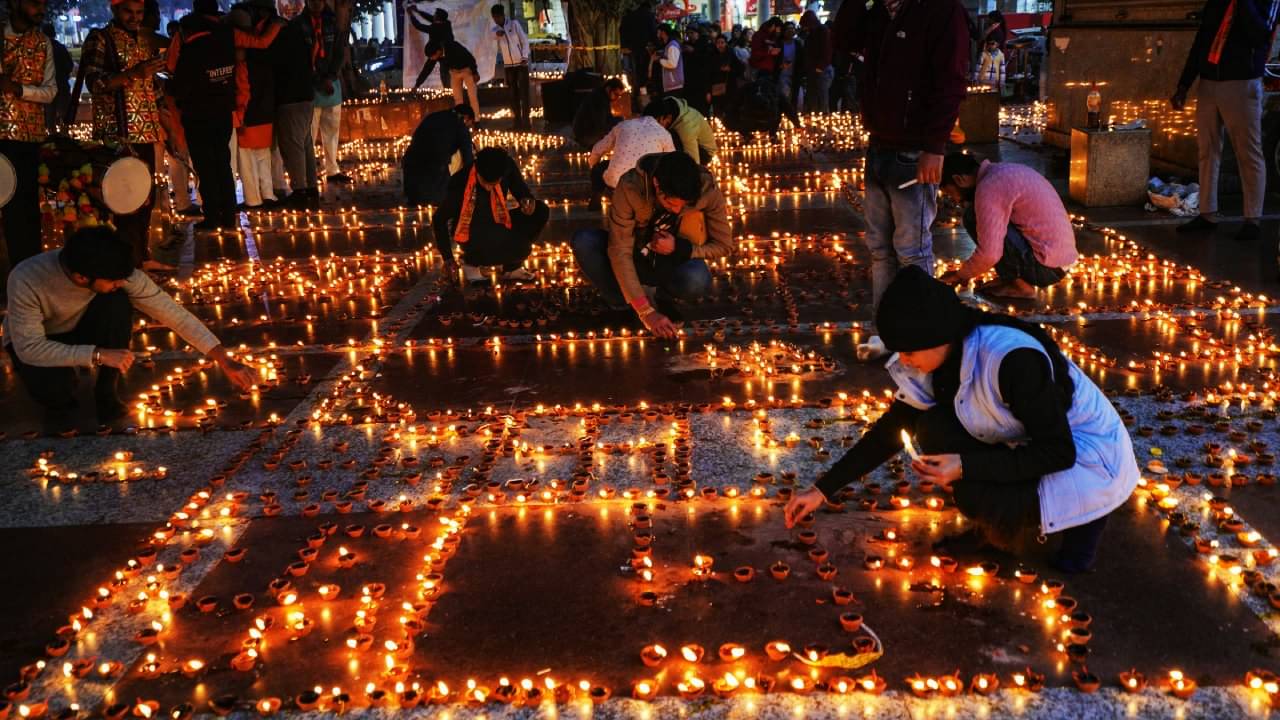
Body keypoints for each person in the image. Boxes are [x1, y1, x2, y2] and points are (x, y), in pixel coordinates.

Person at [784, 266, 1138, 574]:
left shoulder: (1013, 361)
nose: (903, 361)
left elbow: (1059, 452)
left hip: (1089, 460)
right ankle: (999, 524)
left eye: (909, 351)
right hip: (1029, 439)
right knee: (932, 428)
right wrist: (821, 490)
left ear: (938, 336)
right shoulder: (943, 355)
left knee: (973, 492)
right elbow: (893, 428)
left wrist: (966, 466)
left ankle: (1083, 524)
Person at [3, 226, 258, 435]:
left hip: (82, 325)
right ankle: (59, 396)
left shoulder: (116, 271)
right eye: (113, 281)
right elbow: (30, 348)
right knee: (56, 394)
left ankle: (106, 391)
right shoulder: (27, 278)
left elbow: (174, 314)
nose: (121, 282)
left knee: (117, 301)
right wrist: (97, 354)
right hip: (39, 340)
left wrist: (224, 360)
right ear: (81, 277)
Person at [831, 0, 970, 361]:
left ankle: (921, 338)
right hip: (879, 145)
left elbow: (951, 81)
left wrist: (934, 146)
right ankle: (886, 331)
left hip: (914, 150)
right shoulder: (879, 11)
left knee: (912, 250)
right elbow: (843, 40)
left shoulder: (941, 10)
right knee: (879, 248)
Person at [570, 151, 732, 338]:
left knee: (696, 279)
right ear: (656, 184)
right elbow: (620, 250)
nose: (677, 210)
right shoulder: (630, 187)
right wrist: (645, 312)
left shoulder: (706, 188)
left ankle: (664, 298)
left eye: (684, 205)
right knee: (585, 241)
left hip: (673, 261)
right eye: (670, 203)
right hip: (636, 255)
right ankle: (622, 301)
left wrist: (680, 248)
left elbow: (724, 245)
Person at [1171, 0, 1277, 243]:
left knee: (1248, 152)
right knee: (1207, 150)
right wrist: (1184, 84)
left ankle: (1252, 218)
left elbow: (1261, 35)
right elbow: (1203, 39)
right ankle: (1207, 213)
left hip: (1242, 81)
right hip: (1209, 81)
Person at [81, 0, 166, 268]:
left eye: (139, 13)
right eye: (129, 12)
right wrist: (133, 73)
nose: (135, 18)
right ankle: (126, 264)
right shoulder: (100, 38)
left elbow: (153, 88)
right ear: (115, 10)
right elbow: (94, 82)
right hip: (117, 134)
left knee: (145, 198)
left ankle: (141, 257)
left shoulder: (143, 40)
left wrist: (167, 120)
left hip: (146, 131)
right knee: (124, 200)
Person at [936, 153, 1077, 298]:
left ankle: (1020, 286)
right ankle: (1012, 279)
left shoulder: (989, 187)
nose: (955, 200)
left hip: (1045, 268)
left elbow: (990, 254)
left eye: (950, 193)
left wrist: (960, 275)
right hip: (1061, 262)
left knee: (972, 216)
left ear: (959, 180)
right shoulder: (1003, 172)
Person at [167, 0, 240, 231]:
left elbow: (179, 85)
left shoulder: (192, 48)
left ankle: (213, 217)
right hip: (223, 111)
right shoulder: (226, 40)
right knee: (223, 163)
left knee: (206, 167)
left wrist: (168, 86)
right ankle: (229, 215)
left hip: (199, 114)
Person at [431, 147, 548, 285]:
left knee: (540, 211)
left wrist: (526, 200)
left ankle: (512, 268)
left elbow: (520, 188)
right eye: (485, 183)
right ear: (478, 171)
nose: (489, 188)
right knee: (518, 248)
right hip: (472, 229)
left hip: (499, 220)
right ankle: (471, 263)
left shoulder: (506, 166)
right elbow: (439, 220)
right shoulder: (460, 183)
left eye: (494, 183)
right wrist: (448, 258)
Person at [0, 0, 55, 276]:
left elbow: (50, 91)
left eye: (43, 3)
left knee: (25, 210)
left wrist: (19, 89)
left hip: (27, 138)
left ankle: (27, 275)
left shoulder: (43, 42)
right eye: (34, 2)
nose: (41, 8)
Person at [232, 0, 280, 211]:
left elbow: (243, 91)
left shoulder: (243, 65)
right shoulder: (263, 53)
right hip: (265, 113)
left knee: (247, 161)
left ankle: (253, 198)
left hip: (249, 115)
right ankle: (268, 194)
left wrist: (240, 115)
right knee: (263, 156)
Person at [296, 0, 349, 187]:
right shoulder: (299, 25)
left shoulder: (332, 22)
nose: (317, 3)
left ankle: (332, 169)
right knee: (309, 133)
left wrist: (331, 76)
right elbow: (300, 57)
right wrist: (319, 80)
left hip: (331, 84)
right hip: (311, 86)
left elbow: (339, 52)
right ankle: (309, 173)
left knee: (332, 130)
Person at [271, 6, 318, 207]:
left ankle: (300, 190)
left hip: (291, 99)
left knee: (293, 145)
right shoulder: (301, 37)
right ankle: (311, 187)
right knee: (305, 144)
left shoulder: (281, 41)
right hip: (306, 96)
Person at [587, 111, 676, 212]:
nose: (667, 125)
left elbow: (599, 149)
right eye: (667, 122)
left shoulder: (623, 126)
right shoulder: (663, 133)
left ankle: (597, 195)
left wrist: (593, 164)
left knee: (598, 168)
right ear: (661, 118)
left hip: (616, 183)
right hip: (645, 185)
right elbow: (673, 160)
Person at [402, 103, 475, 206]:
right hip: (435, 166)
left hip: (411, 163)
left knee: (417, 197)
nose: (468, 128)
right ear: (466, 118)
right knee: (438, 200)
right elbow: (467, 155)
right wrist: (470, 179)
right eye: (469, 124)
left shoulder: (432, 117)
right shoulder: (460, 124)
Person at [490, 4, 531, 130]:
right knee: (513, 94)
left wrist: (524, 56)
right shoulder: (495, 29)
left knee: (524, 93)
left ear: (503, 15)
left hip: (521, 63)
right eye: (494, 18)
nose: (496, 20)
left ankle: (526, 122)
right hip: (508, 66)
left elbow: (524, 41)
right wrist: (497, 34)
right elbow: (490, 37)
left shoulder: (514, 24)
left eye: (498, 17)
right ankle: (517, 121)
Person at [645, 96, 716, 166]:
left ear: (668, 117)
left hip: (704, 152)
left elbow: (693, 160)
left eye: (657, 121)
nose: (654, 125)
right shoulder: (667, 106)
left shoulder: (686, 128)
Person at [423, 38, 480, 119]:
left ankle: (476, 120)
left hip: (466, 69)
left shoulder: (453, 46)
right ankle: (460, 119)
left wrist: (474, 72)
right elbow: (427, 68)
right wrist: (418, 83)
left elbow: (470, 58)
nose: (431, 59)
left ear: (438, 52)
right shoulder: (438, 55)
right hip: (454, 72)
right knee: (457, 98)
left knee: (472, 96)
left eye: (431, 56)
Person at [620, 0, 657, 112]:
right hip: (643, 51)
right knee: (643, 78)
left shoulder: (629, 16)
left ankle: (634, 103)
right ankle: (644, 105)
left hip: (630, 50)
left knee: (633, 76)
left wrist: (625, 46)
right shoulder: (649, 16)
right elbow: (653, 34)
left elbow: (622, 30)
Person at [408, 5, 453, 90]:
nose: (433, 15)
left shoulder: (434, 28)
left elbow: (418, 26)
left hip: (443, 52)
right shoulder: (446, 23)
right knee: (428, 68)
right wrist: (418, 11)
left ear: (438, 18)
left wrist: (411, 14)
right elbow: (430, 18)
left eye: (435, 15)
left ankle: (448, 91)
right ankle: (417, 85)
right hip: (438, 50)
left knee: (444, 73)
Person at [572, 77, 625, 150]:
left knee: (619, 121)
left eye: (619, 96)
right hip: (585, 135)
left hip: (587, 131)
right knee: (618, 123)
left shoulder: (602, 96)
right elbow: (600, 125)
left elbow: (608, 118)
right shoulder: (599, 100)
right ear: (609, 89)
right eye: (616, 94)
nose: (617, 98)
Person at [42, 22, 71, 135]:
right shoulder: (60, 47)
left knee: (50, 114)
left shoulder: (41, 48)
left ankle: (52, 135)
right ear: (54, 33)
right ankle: (64, 135)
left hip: (47, 86)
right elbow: (69, 65)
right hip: (61, 84)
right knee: (64, 113)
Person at [799, 10, 831, 113]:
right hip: (812, 68)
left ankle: (822, 114)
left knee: (821, 93)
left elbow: (826, 49)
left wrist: (820, 66)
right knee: (812, 93)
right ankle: (814, 114)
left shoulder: (822, 31)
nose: (804, 28)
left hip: (820, 68)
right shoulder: (810, 33)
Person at [709, 33, 745, 119]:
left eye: (722, 42)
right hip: (716, 87)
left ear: (726, 43)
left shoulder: (731, 54)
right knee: (718, 111)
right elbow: (708, 73)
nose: (720, 45)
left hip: (730, 87)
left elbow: (740, 68)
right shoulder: (711, 55)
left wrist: (730, 69)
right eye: (718, 43)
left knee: (729, 109)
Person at [651, 23, 684, 100]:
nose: (657, 35)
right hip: (671, 84)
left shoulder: (672, 45)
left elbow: (672, 64)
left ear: (663, 32)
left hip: (674, 84)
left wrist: (659, 60)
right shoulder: (668, 45)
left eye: (658, 32)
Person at [777, 22, 803, 109]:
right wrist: (780, 66)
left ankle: (793, 113)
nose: (790, 31)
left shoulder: (798, 44)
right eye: (788, 29)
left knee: (796, 96)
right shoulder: (779, 44)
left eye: (792, 28)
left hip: (795, 73)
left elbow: (801, 59)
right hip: (783, 74)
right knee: (784, 95)